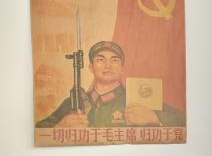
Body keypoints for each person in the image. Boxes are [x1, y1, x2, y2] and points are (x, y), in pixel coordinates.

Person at [37, 41, 184, 128]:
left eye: (114, 60)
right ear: (91, 68)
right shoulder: (75, 102)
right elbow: (38, 129)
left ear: (122, 69)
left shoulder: (137, 99)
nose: (108, 65)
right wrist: (59, 127)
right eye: (100, 60)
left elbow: (183, 120)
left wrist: (155, 119)